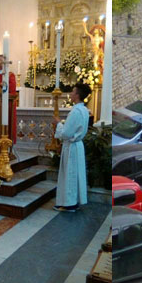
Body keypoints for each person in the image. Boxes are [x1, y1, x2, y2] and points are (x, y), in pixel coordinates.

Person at [53, 83, 91, 212]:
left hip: (72, 147)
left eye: (73, 92)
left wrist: (59, 123)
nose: (70, 94)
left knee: (70, 174)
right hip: (77, 145)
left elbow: (66, 133)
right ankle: (71, 201)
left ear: (78, 95)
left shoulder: (75, 111)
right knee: (75, 174)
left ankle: (69, 203)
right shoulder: (84, 110)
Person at [0, 54, 18, 143]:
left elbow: (12, 91)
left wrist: (2, 85)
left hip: (6, 105)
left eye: (0, 61)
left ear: (5, 63)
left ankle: (7, 146)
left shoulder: (10, 75)